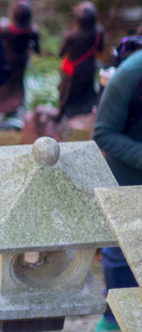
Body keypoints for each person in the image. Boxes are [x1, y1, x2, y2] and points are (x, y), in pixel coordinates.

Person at [93, 50, 142, 331]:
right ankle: (112, 321)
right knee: (124, 254)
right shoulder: (131, 74)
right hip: (127, 176)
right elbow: (104, 131)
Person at [0, 0, 41, 116]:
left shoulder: (6, 30)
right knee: (17, 83)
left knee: (4, 83)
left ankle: (1, 106)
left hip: (7, 59)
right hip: (22, 60)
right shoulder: (33, 32)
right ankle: (15, 105)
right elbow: (37, 49)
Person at [58, 1, 105, 120]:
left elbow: (61, 53)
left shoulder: (71, 35)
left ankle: (65, 116)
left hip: (74, 69)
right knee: (87, 91)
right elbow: (100, 48)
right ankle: (85, 114)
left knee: (69, 92)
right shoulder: (99, 31)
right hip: (90, 67)